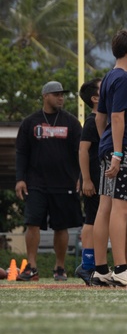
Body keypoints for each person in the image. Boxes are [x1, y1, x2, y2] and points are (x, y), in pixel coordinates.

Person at [91, 29, 127, 287]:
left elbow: (99, 118)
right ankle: (121, 269)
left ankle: (101, 269)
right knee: (122, 207)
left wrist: (107, 145)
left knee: (105, 208)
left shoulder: (107, 78)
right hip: (123, 149)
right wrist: (117, 151)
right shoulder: (125, 80)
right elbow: (117, 117)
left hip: (110, 148)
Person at [14, 80, 83, 282]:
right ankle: (32, 267)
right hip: (36, 182)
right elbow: (21, 153)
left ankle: (60, 267)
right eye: (56, 94)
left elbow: (81, 152)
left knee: (61, 227)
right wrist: (20, 179)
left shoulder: (71, 122)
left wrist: (81, 176)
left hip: (64, 182)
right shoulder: (30, 122)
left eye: (62, 94)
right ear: (45, 96)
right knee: (32, 223)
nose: (60, 98)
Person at [76, 79, 102, 284]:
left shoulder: (105, 118)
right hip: (94, 177)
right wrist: (86, 179)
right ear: (95, 98)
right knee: (92, 219)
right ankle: (87, 265)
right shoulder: (93, 121)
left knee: (99, 218)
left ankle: (95, 264)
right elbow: (83, 150)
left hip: (103, 176)